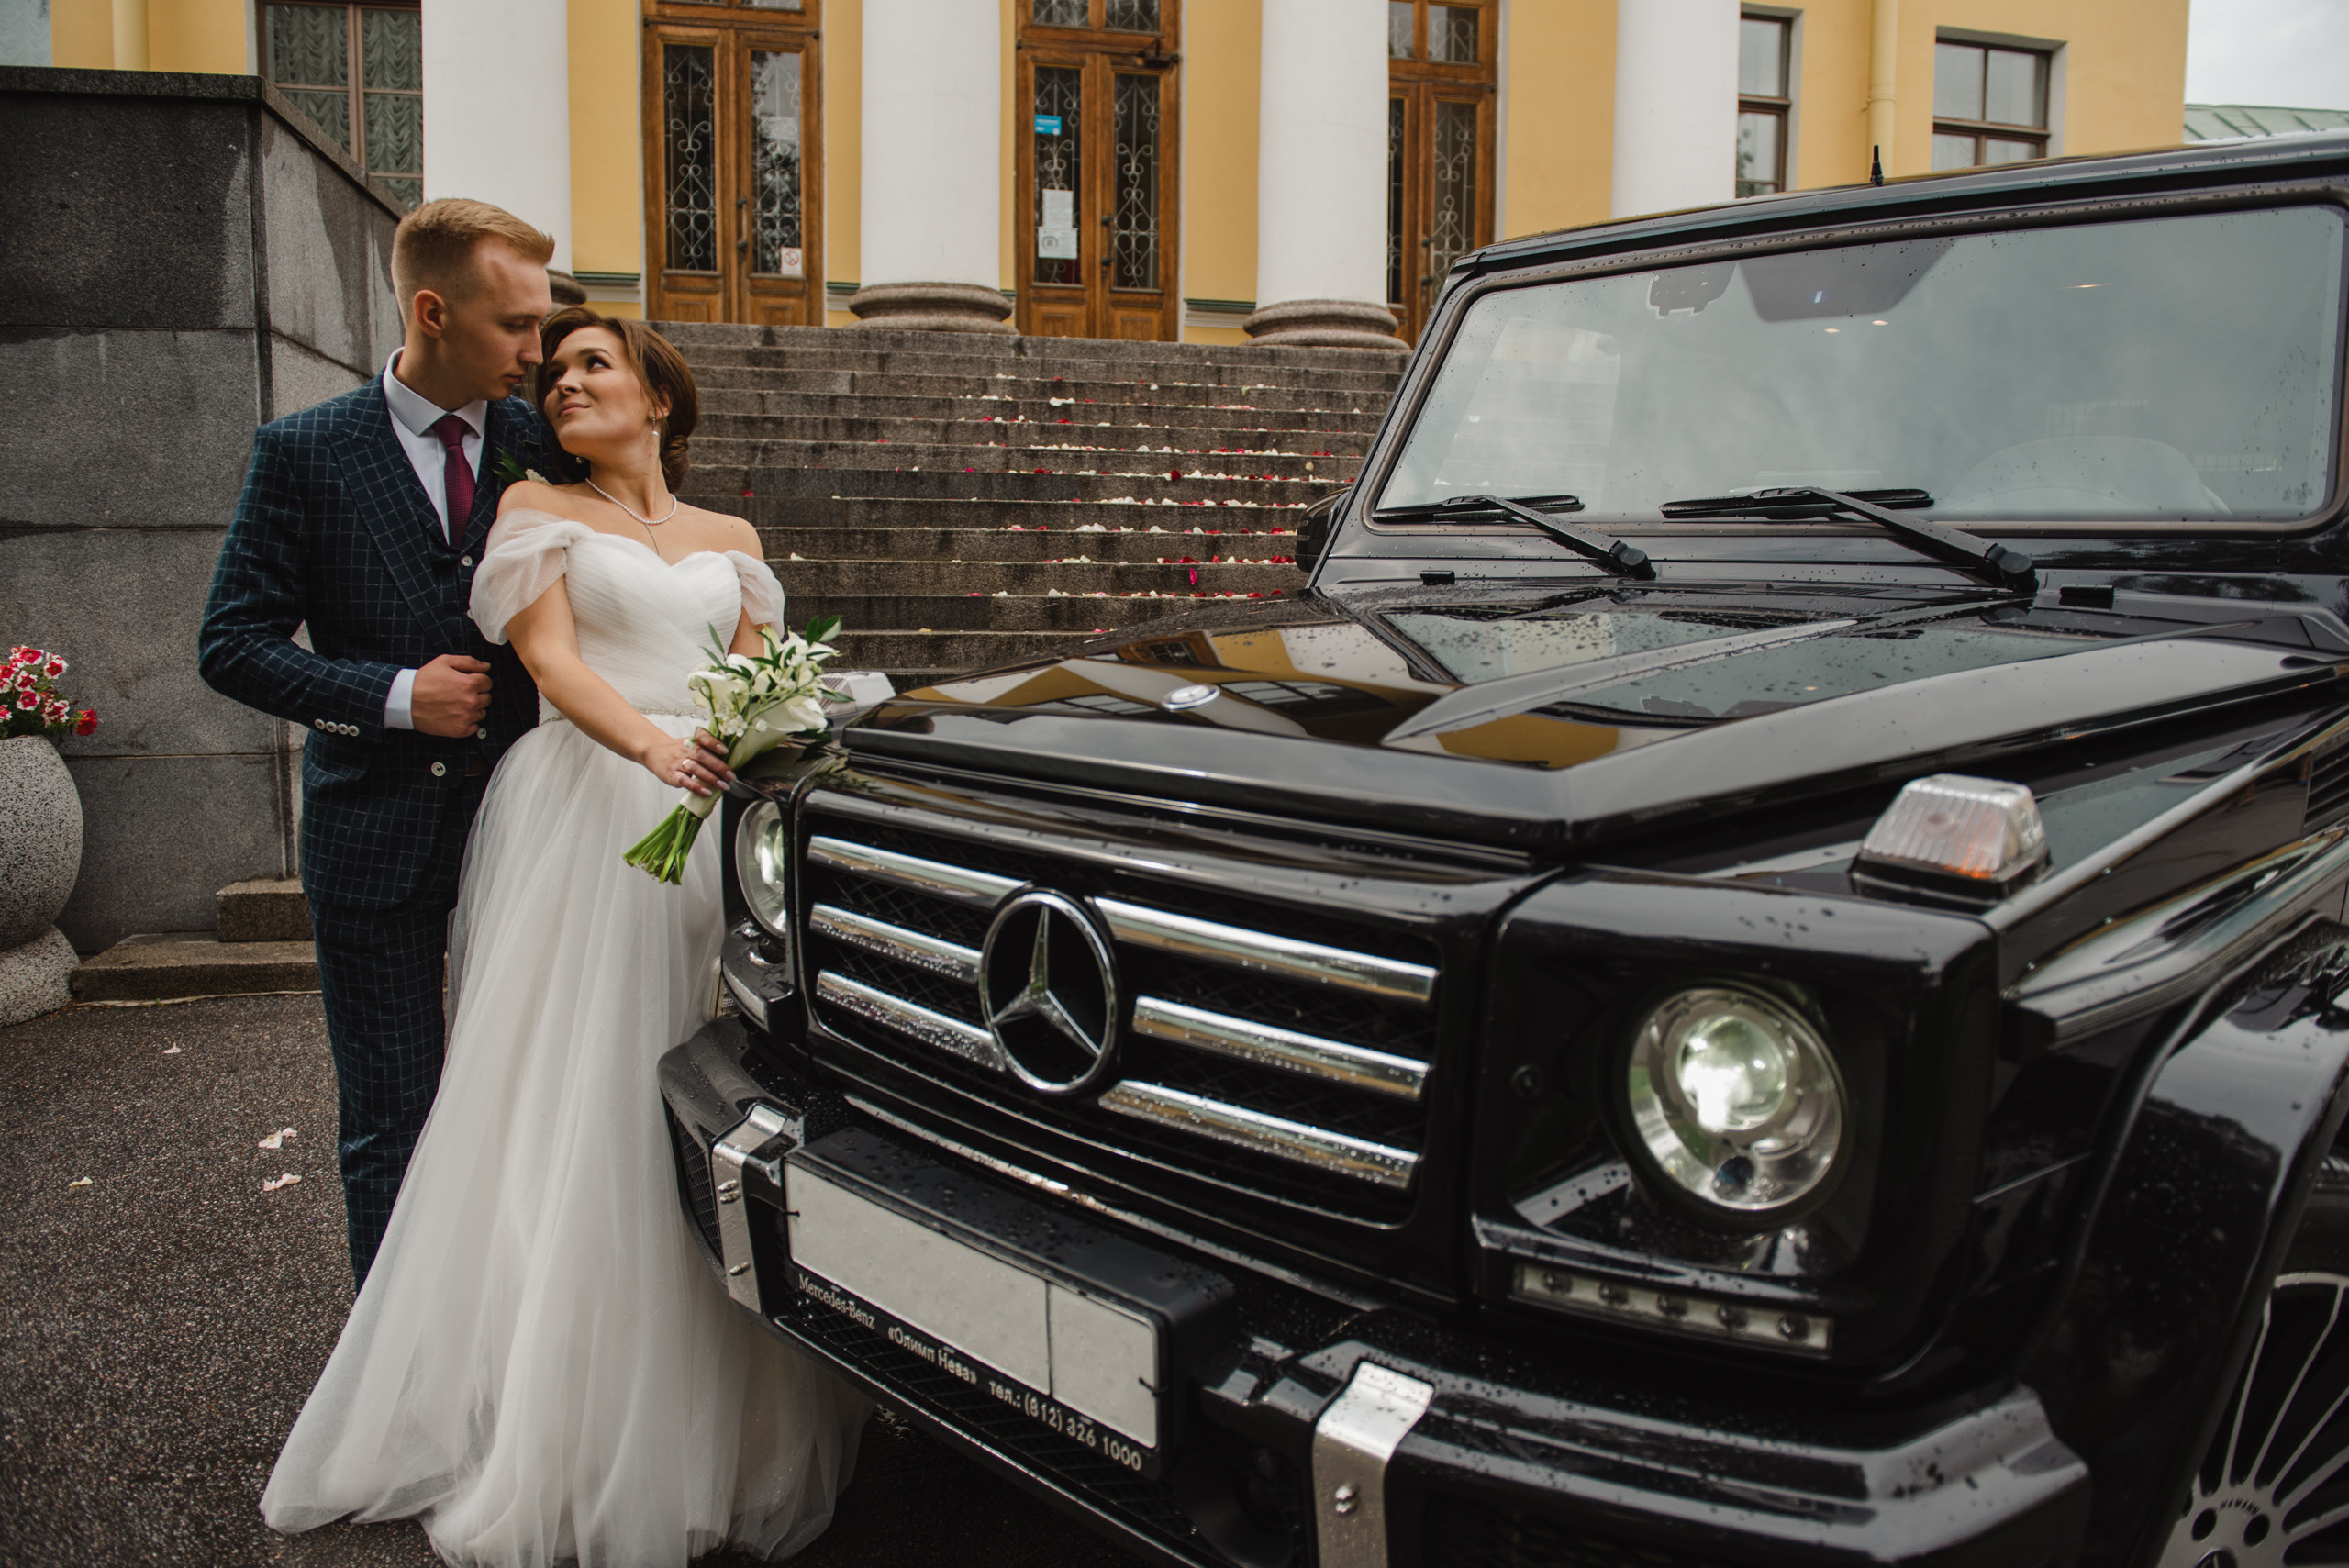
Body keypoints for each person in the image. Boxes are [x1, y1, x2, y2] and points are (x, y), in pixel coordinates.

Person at [258, 306, 868, 1565]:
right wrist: (652, 746)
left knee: (722, 1076)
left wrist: (762, 737)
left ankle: (729, 1419)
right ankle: (569, 1420)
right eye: (557, 370)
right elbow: (549, 660)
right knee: (587, 1096)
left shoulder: (733, 539)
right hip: (590, 807)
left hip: (706, 815)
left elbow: (760, 675)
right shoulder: (536, 508)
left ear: (659, 396)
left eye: (596, 364)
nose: (564, 382)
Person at [199, 198, 562, 1286]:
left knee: (532, 1103)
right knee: (390, 1120)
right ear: (433, 312)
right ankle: (393, 1363)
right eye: (515, 325)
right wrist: (396, 695)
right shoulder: (303, 452)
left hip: (528, 830)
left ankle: (508, 1336)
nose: (536, 352)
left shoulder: (546, 444)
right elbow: (232, 643)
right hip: (372, 833)